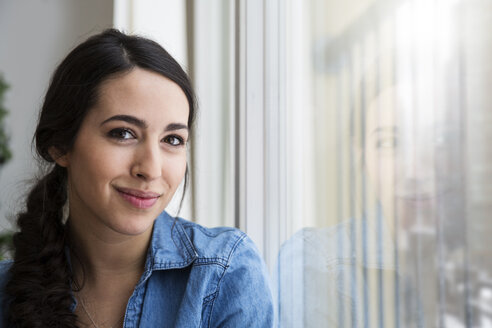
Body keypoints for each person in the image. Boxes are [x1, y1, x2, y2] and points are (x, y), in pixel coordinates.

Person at [0, 29, 273, 328]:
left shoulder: (223, 273)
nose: (151, 169)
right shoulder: (8, 293)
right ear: (61, 146)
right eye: (123, 133)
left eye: (172, 139)